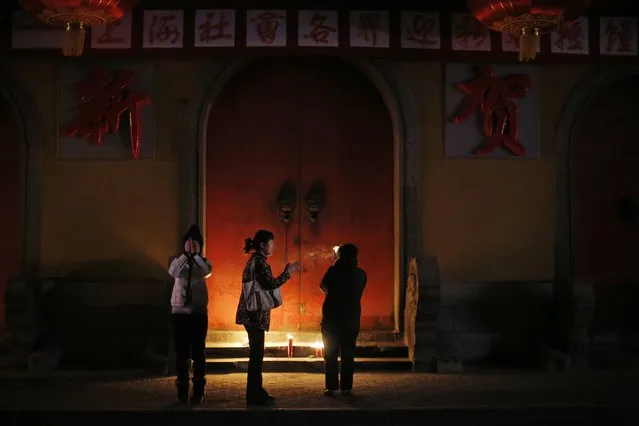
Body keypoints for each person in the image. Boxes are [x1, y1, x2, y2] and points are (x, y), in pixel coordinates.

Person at [235, 229, 300, 405]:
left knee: (256, 355)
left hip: (251, 314)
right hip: (254, 315)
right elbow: (270, 284)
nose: (273, 246)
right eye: (271, 243)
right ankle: (255, 394)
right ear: (262, 245)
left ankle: (256, 391)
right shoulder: (259, 262)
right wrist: (288, 272)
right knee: (256, 356)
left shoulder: (255, 261)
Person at [168, 224, 212, 405]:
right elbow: (173, 272)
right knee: (181, 352)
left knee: (198, 352)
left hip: (197, 312)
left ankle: (199, 390)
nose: (191, 245)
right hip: (179, 312)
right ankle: (182, 389)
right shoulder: (178, 262)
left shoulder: (204, 262)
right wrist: (185, 255)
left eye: (195, 243)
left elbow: (207, 272)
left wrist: (195, 256)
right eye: (188, 243)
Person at [320, 243, 367, 397]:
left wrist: (335, 264)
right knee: (348, 354)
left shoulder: (333, 271)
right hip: (351, 318)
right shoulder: (361, 274)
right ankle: (346, 387)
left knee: (331, 353)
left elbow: (323, 286)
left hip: (332, 319)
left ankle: (331, 387)